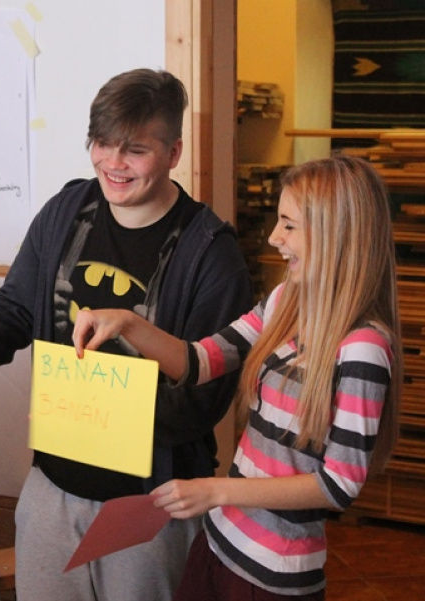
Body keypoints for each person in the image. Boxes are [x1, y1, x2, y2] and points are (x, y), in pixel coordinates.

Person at [0, 68, 254, 600]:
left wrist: (88, 412)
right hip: (53, 487)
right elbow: (15, 304)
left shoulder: (210, 254)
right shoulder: (66, 211)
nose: (113, 163)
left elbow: (204, 398)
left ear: (174, 152)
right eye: (102, 143)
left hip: (150, 502)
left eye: (135, 150)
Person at [72, 155, 402, 600]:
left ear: (336, 234)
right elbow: (199, 361)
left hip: (271, 576)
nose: (274, 237)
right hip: (217, 545)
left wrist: (215, 491)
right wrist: (127, 323)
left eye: (289, 225)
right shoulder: (284, 302)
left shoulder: (363, 348)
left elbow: (338, 485)